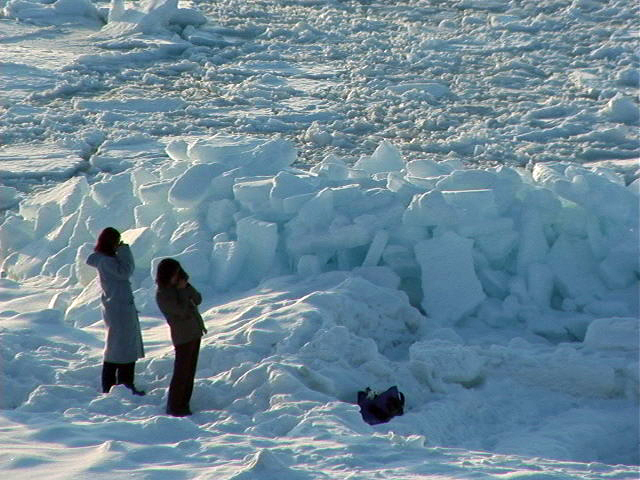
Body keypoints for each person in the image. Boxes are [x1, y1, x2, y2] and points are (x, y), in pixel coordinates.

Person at [86, 227, 145, 396]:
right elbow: (125, 271)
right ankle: (121, 385)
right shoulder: (106, 261)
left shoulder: (105, 260)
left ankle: (119, 385)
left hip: (119, 307)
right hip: (119, 309)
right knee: (122, 348)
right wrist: (124, 250)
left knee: (120, 347)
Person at [155, 258, 207, 417]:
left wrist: (186, 288)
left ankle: (184, 404)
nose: (176, 277)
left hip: (194, 332)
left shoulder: (181, 287)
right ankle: (175, 406)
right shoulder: (163, 294)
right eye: (174, 274)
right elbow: (181, 311)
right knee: (181, 373)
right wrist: (183, 292)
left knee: (189, 372)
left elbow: (197, 299)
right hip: (183, 336)